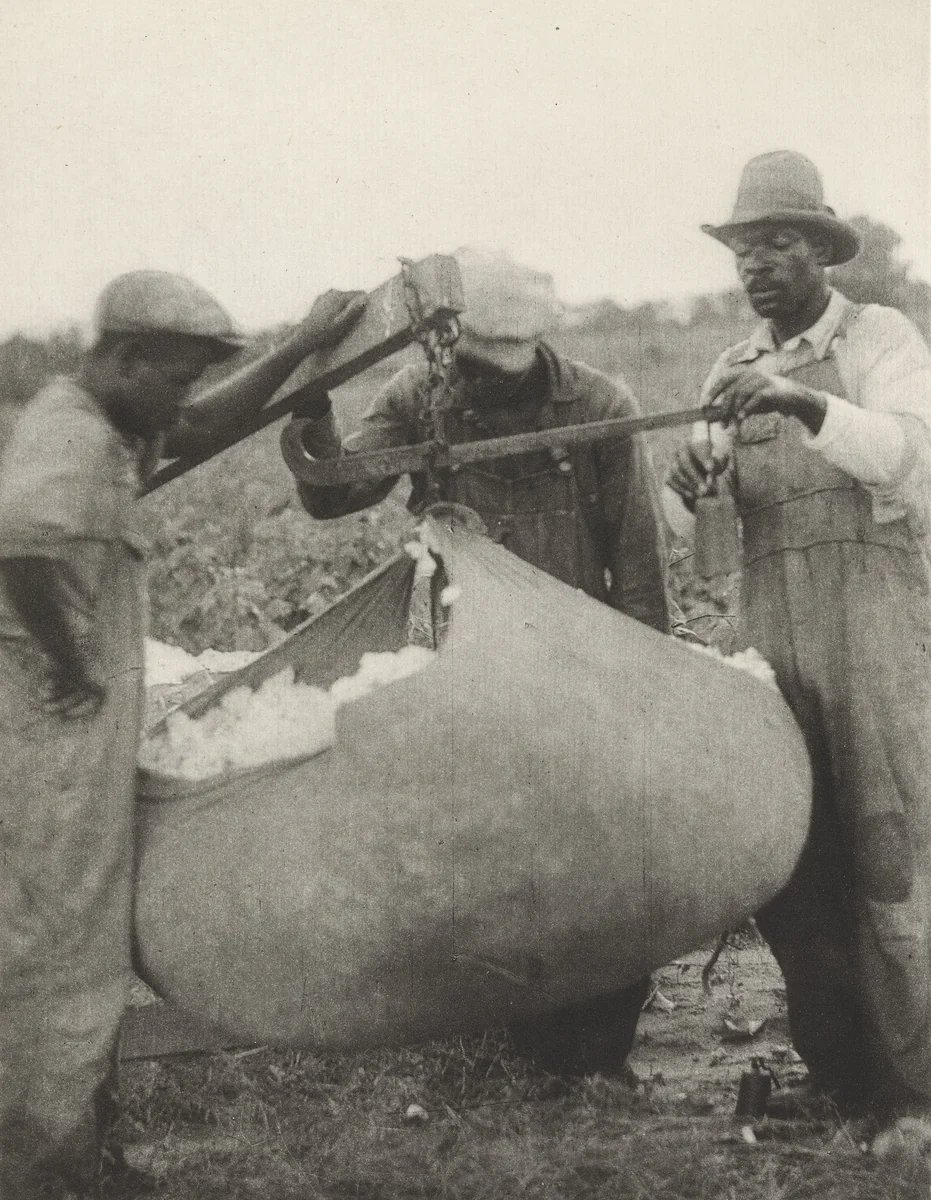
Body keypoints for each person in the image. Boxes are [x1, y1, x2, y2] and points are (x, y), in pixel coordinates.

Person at [0, 270, 363, 1199]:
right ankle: (48, 1175)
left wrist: (298, 348)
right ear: (122, 358)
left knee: (74, 950)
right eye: (173, 376)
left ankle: (79, 1152)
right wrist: (73, 663)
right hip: (42, 740)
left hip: (64, 734)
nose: (181, 399)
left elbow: (199, 426)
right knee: (55, 956)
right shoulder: (68, 434)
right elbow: (23, 542)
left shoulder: (109, 424)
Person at [286, 246, 671, 1077]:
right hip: (468, 670)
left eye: (499, 366)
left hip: (580, 669)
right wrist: (311, 405)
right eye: (467, 363)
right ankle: (528, 1044)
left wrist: (650, 690)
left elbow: (637, 568)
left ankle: (603, 1051)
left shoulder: (601, 405)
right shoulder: (420, 397)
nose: (480, 381)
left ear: (534, 345)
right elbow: (333, 491)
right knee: (500, 858)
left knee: (602, 862)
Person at [665, 151, 931, 1122]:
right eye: (742, 248)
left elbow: (907, 454)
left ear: (819, 249)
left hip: (874, 624)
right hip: (770, 631)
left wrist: (803, 400)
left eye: (776, 243)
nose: (754, 265)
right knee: (798, 871)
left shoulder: (878, 338)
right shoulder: (727, 369)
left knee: (891, 861)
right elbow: (705, 550)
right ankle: (842, 1076)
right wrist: (690, 487)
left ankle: (916, 1097)